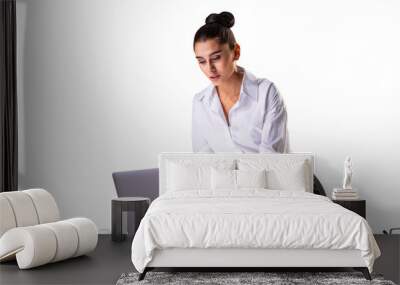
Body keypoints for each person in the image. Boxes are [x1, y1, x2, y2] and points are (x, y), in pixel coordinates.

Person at [192, 11, 290, 153]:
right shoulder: (200, 102)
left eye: (216, 57)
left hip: (274, 175)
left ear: (236, 52)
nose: (209, 68)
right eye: (201, 61)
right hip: (228, 176)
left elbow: (271, 160)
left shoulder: (266, 93)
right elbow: (203, 163)